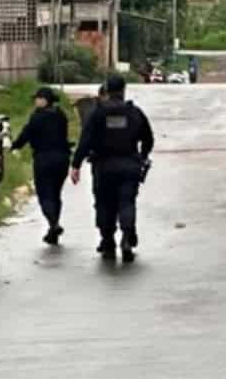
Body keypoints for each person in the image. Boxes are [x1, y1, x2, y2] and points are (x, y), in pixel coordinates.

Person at [70, 75, 154, 263]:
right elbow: (148, 138)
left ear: (106, 91)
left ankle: (108, 242)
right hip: (129, 166)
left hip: (104, 167)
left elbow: (85, 141)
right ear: (124, 90)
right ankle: (126, 240)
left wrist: (76, 164)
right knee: (127, 202)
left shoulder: (97, 114)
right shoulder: (134, 113)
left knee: (104, 204)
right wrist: (142, 156)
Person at [12, 87, 71, 245]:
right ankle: (53, 231)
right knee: (55, 194)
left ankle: (53, 224)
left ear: (45, 100)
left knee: (45, 194)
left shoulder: (37, 117)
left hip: (44, 159)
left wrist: (15, 146)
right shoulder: (61, 115)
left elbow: (26, 133)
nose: (35, 101)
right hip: (62, 158)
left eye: (37, 98)